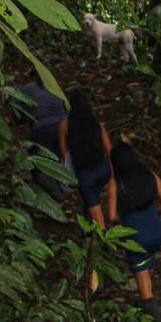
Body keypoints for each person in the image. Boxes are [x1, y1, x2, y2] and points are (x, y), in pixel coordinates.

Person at [108, 139, 161, 322]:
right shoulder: (149, 175)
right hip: (156, 230)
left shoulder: (115, 184)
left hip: (136, 236)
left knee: (144, 285)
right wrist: (151, 212)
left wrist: (127, 216)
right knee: (147, 264)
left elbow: (111, 216)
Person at [58, 90, 114, 228]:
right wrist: (112, 174)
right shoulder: (97, 126)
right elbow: (110, 150)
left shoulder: (64, 125)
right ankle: (91, 226)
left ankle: (103, 240)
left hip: (85, 175)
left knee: (94, 208)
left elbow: (63, 152)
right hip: (103, 169)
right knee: (91, 201)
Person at [17, 81, 68, 202]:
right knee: (57, 159)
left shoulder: (24, 89)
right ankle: (61, 190)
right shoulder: (55, 86)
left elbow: (18, 117)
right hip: (63, 125)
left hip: (43, 129)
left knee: (37, 165)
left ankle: (58, 197)